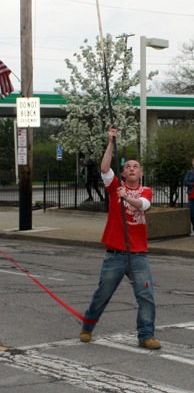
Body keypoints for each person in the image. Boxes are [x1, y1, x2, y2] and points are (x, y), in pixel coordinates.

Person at [80, 125, 160, 349]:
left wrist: (128, 198)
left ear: (141, 173)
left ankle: (146, 335)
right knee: (102, 294)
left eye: (136, 167)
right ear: (123, 174)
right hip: (114, 254)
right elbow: (105, 167)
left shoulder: (146, 190)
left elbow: (143, 206)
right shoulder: (115, 186)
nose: (132, 169)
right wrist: (111, 143)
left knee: (146, 295)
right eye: (128, 167)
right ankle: (88, 326)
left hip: (138, 254)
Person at [183, 159, 194, 237]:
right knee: (192, 214)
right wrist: (193, 183)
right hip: (191, 195)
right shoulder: (190, 173)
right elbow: (185, 182)